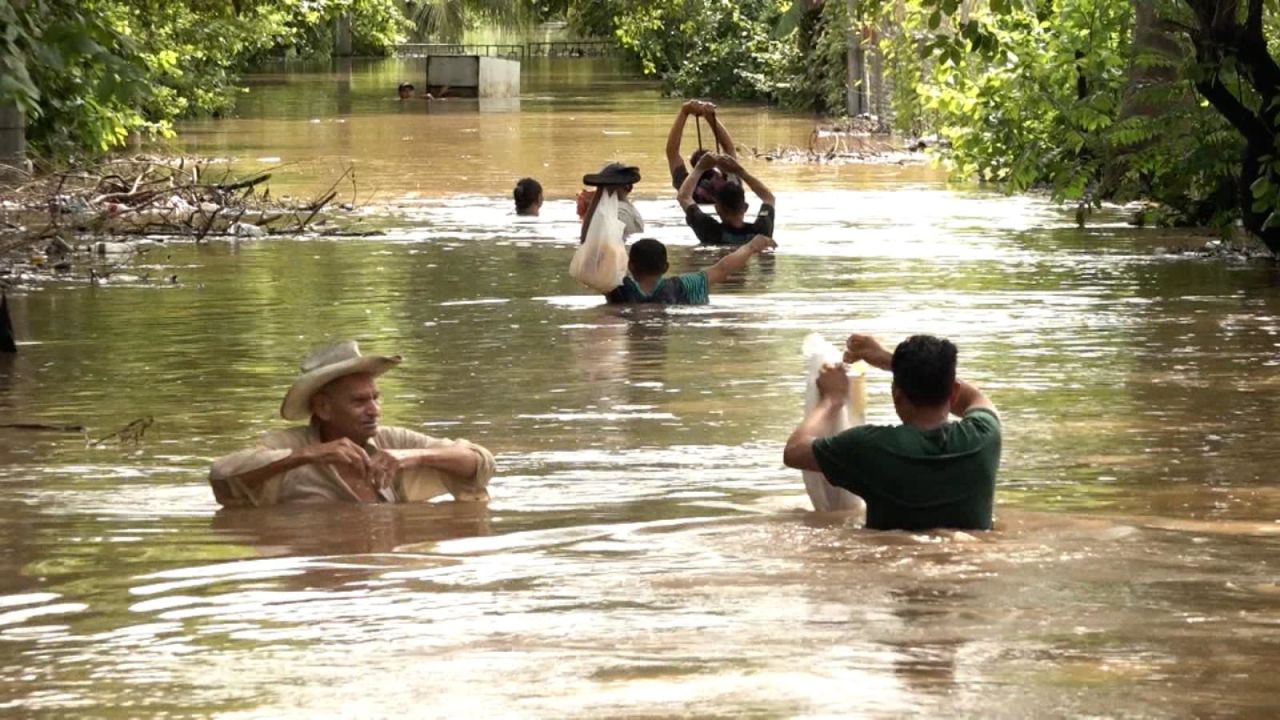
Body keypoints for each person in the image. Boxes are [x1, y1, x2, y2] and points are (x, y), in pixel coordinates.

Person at [208, 340, 496, 507]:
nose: (374, 410)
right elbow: (222, 477)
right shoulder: (290, 447)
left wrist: (414, 456)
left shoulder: (392, 442)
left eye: (375, 398)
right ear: (323, 408)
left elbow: (481, 463)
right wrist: (305, 456)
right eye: (359, 402)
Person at [782, 334, 1001, 531]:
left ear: (896, 394)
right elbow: (973, 398)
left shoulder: (871, 447)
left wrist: (832, 399)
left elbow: (794, 451)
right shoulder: (983, 437)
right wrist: (889, 359)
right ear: (952, 392)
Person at [603, 235, 775, 305]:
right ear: (666, 267)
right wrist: (751, 247)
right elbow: (722, 268)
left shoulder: (615, 286)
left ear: (630, 266)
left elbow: (591, 261)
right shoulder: (684, 285)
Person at [679, 152, 775, 246]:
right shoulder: (761, 232)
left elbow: (684, 197)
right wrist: (741, 172)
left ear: (717, 209)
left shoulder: (710, 231)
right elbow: (768, 198)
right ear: (745, 207)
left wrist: (699, 168)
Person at [666, 100, 738, 205]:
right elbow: (729, 149)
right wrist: (709, 117)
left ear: (695, 167)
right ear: (716, 164)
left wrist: (684, 112)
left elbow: (672, 152)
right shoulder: (730, 185)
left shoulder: (687, 188)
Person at [578, 162, 644, 240]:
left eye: (603, 187)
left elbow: (585, 239)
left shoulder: (616, 213)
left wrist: (598, 195)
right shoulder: (632, 212)